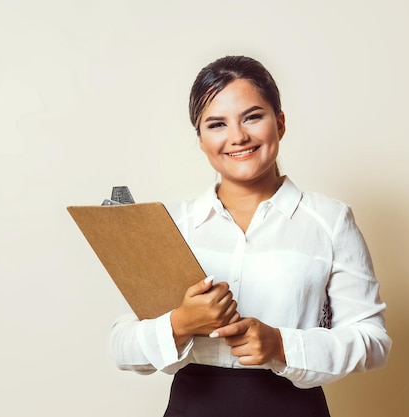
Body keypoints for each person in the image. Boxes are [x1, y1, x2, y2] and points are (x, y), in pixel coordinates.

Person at [109, 55, 392, 417]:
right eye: (216, 124)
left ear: (280, 122)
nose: (237, 137)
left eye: (252, 117)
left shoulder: (330, 221)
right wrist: (181, 323)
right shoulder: (170, 226)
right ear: (200, 139)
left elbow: (373, 342)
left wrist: (281, 345)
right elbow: (121, 347)